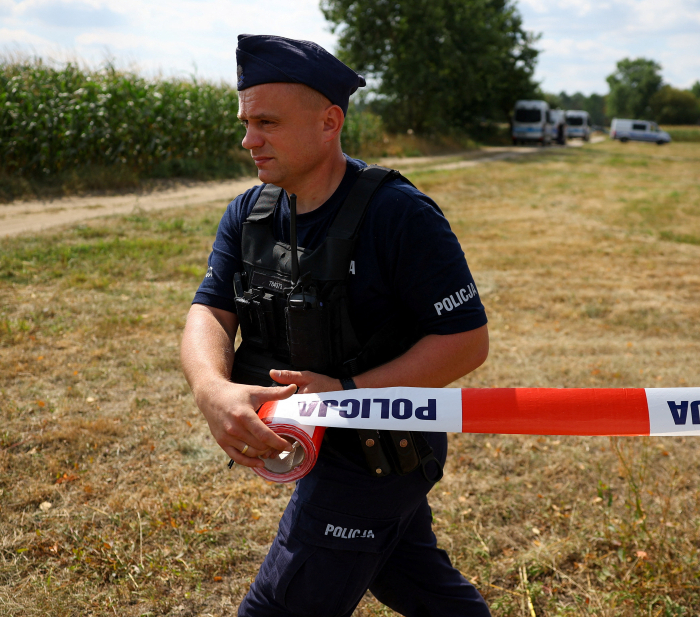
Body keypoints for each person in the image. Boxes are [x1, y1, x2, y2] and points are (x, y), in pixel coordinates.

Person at [180, 34, 491, 617]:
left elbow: (467, 340)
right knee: (413, 581)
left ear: (329, 122)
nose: (249, 140)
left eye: (267, 122)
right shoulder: (250, 213)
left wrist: (346, 396)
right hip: (321, 450)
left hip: (382, 452)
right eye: (246, 122)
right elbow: (211, 307)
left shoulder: (399, 216)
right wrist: (211, 389)